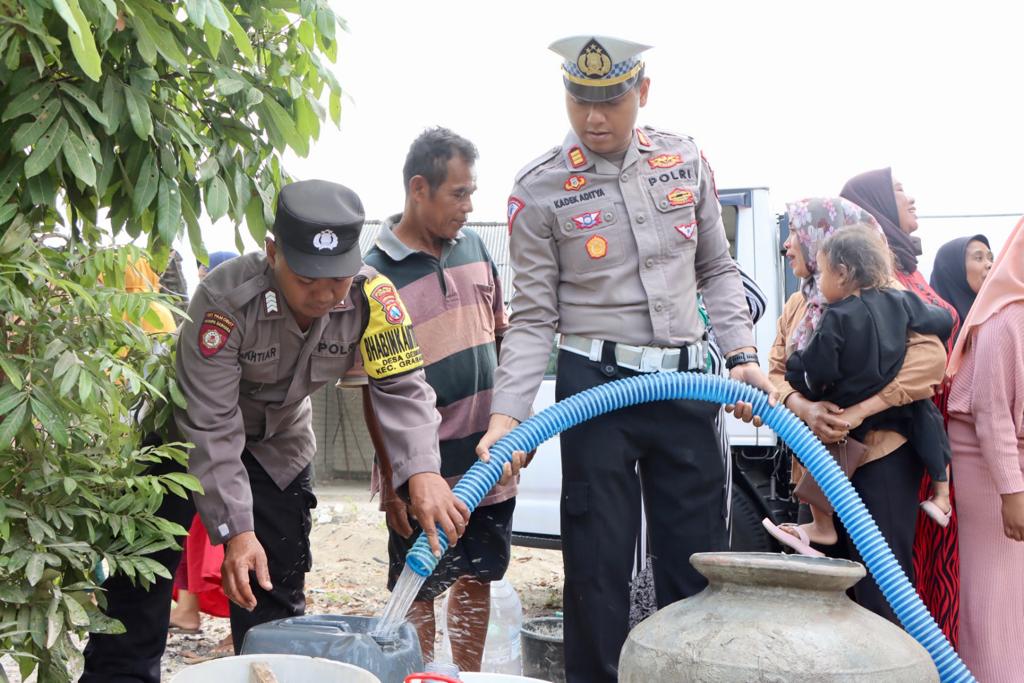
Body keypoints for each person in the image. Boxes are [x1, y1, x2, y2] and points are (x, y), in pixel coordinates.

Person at [474, 36, 776, 683]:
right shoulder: (539, 188)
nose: (594, 117)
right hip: (596, 391)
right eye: (580, 100)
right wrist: (508, 418)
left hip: (684, 384)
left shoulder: (685, 160)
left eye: (609, 99)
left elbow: (718, 270)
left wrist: (744, 355)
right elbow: (533, 317)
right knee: (597, 568)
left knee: (698, 567)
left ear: (641, 92)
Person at [82, 180, 468, 682]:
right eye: (309, 279)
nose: (326, 294)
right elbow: (211, 425)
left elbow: (402, 386)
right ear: (273, 253)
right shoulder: (224, 300)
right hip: (180, 442)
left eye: (338, 279)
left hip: (279, 447)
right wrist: (236, 531)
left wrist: (422, 472)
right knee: (139, 588)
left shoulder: (373, 297)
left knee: (271, 595)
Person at [354, 127, 513, 671]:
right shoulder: (375, 275)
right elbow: (375, 392)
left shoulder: (473, 247)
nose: (469, 207)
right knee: (419, 584)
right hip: (424, 463)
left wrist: (513, 422)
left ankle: (463, 679)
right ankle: (421, 677)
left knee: (479, 573)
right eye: (458, 194)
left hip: (488, 453)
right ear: (418, 188)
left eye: (472, 192)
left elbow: (500, 335)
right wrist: (395, 483)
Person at [767, 197, 947, 623]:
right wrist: (804, 407)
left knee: (880, 592)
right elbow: (773, 372)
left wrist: (860, 411)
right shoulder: (798, 307)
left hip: (880, 459)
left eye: (794, 235)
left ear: (828, 245)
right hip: (816, 466)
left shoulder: (889, 299)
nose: (788, 246)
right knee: (819, 592)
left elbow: (929, 362)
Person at [840, 168, 961, 645]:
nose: (910, 197)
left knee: (921, 566)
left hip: (929, 437)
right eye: (897, 190)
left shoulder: (907, 269)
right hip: (897, 438)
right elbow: (921, 359)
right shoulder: (877, 280)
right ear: (873, 207)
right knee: (890, 580)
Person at [946, 217, 1024, 681]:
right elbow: (993, 416)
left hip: (1011, 463)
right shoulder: (1004, 320)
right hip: (989, 467)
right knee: (995, 589)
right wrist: (1011, 493)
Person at [169, 250, 239, 662]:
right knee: (196, 540)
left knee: (230, 541)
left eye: (206, 272)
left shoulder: (230, 320)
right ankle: (189, 609)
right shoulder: (194, 323)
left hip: (234, 454)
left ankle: (237, 630)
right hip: (199, 453)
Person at [930, 235, 994, 344]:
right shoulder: (933, 326)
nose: (990, 265)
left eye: (991, 258)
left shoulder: (995, 315)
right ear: (955, 269)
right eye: (979, 258)